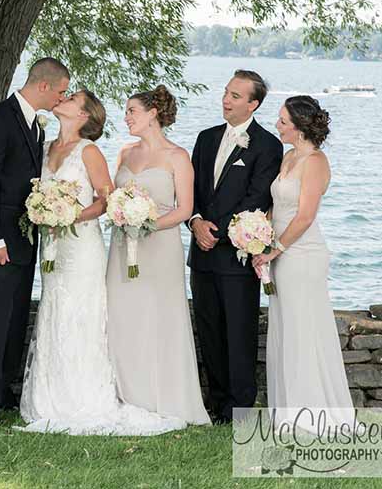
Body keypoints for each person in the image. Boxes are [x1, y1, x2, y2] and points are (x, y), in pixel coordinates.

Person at [18, 90, 186, 435]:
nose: (62, 100)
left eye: (71, 99)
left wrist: (70, 215)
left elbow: (105, 199)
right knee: (54, 309)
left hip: (81, 247)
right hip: (52, 246)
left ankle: (83, 397)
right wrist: (45, 211)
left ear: (84, 115)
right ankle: (49, 397)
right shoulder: (46, 147)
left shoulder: (89, 151)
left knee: (80, 314)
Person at [0, 58, 69, 424]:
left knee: (12, 321)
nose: (62, 97)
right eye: (60, 91)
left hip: (23, 241)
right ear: (43, 86)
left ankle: (2, 394)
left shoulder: (36, 125)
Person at [106, 86, 211, 426]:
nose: (126, 118)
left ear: (152, 114)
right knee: (122, 316)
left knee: (159, 317)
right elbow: (111, 198)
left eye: (131, 111)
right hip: (123, 247)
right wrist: (123, 215)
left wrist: (147, 224)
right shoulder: (124, 152)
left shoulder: (177, 157)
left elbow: (185, 209)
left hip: (160, 247)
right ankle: (127, 394)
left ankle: (164, 396)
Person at [252, 96, 354, 430]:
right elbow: (277, 206)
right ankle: (288, 411)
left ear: (298, 126)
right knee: (284, 330)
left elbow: (305, 216)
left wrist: (274, 250)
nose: (277, 125)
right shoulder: (289, 156)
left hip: (303, 255)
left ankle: (313, 415)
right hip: (279, 252)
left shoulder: (315, 162)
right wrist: (257, 236)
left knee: (303, 331)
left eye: (282, 121)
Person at [188, 70, 283, 424]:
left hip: (237, 255)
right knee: (209, 331)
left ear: (253, 104)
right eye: (226, 93)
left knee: (239, 332)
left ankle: (239, 410)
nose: (226, 100)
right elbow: (194, 190)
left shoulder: (268, 145)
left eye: (236, 96)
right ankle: (216, 405)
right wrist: (196, 222)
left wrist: (220, 232)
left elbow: (256, 198)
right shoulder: (205, 138)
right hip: (201, 253)